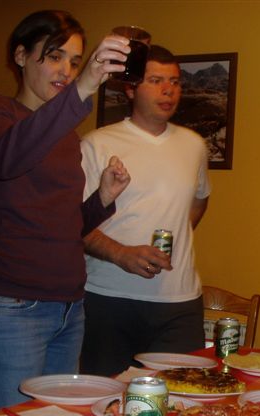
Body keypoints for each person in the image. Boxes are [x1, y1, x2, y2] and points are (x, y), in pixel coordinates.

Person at [0, 10, 131, 416]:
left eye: (74, 62)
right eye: (54, 56)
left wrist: (102, 198)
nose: (66, 71)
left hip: (68, 309)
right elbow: (5, 160)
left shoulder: (66, 136)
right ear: (21, 56)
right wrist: (85, 86)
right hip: (9, 307)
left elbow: (66, 227)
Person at [80, 45, 211, 377]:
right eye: (155, 81)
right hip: (108, 299)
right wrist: (122, 253)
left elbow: (199, 200)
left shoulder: (194, 145)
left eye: (175, 82)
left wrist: (176, 229)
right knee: (107, 399)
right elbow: (72, 224)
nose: (168, 90)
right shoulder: (96, 144)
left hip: (179, 302)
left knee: (183, 396)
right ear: (130, 88)